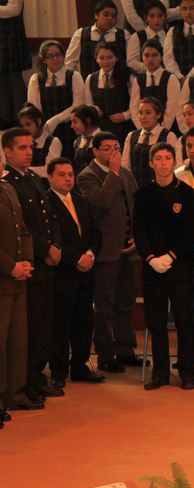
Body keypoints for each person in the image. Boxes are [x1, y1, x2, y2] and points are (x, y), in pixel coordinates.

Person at [132, 142, 194, 391]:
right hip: (152, 268)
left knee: (184, 321)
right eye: (158, 158)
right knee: (156, 322)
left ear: (174, 162)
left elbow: (192, 232)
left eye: (167, 158)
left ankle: (186, 372)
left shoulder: (187, 193)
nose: (163, 163)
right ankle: (160, 372)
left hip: (179, 267)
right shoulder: (142, 195)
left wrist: (171, 256)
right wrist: (151, 258)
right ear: (151, 163)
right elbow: (138, 232)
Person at [2, 127, 61, 404]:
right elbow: (22, 228)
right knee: (27, 329)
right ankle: (24, 382)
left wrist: (56, 245)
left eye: (30, 147)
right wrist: (45, 249)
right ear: (7, 152)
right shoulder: (9, 183)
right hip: (27, 262)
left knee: (43, 326)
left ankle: (36, 377)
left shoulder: (34, 178)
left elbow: (49, 217)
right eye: (22, 148)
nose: (29, 152)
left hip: (42, 263)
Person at [77, 131, 143, 373]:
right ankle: (105, 354)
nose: (113, 152)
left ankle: (126, 350)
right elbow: (101, 201)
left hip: (129, 248)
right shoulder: (87, 176)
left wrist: (136, 235)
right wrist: (113, 173)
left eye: (115, 147)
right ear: (95, 151)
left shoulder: (126, 173)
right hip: (105, 251)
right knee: (104, 305)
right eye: (106, 148)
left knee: (126, 302)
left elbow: (136, 206)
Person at [46, 157, 105, 387]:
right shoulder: (46, 202)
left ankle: (80, 366)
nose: (67, 179)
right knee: (61, 324)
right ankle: (58, 371)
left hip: (86, 273)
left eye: (70, 174)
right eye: (62, 175)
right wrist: (76, 259)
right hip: (63, 273)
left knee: (83, 322)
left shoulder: (82, 201)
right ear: (50, 177)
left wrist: (89, 253)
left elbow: (95, 233)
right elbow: (54, 239)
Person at [0, 171, 33, 426]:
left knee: (16, 340)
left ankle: (13, 393)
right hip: (4, 276)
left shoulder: (8, 189)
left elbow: (23, 229)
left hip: (17, 277)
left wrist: (27, 262)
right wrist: (10, 266)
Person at [26, 41, 86, 156]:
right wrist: (43, 128)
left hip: (71, 127)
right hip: (46, 129)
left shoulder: (74, 76)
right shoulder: (36, 79)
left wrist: (55, 120)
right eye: (50, 56)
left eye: (58, 55)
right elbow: (34, 108)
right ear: (44, 60)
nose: (55, 59)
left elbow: (78, 107)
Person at [83, 41, 135, 141]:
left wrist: (125, 115)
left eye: (110, 57)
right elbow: (88, 103)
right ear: (96, 59)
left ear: (116, 58)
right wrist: (94, 109)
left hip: (124, 127)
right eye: (102, 58)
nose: (106, 61)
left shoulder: (128, 77)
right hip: (100, 129)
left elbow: (136, 103)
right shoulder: (91, 78)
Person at [123, 96, 179, 186]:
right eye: (140, 113)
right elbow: (125, 166)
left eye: (148, 113)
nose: (143, 117)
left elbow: (175, 166)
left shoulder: (168, 136)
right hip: (136, 188)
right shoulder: (132, 136)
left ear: (158, 114)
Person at [128, 38, 180, 132]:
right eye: (146, 55)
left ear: (161, 57)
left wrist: (160, 131)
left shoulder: (170, 78)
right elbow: (134, 108)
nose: (150, 59)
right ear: (142, 58)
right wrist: (143, 129)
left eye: (154, 55)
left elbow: (172, 108)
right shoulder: (139, 80)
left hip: (167, 130)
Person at [66, 0, 127, 77]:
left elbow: (129, 62)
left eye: (113, 16)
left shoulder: (123, 35)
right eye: (106, 15)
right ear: (96, 15)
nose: (110, 18)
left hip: (117, 81)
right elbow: (70, 62)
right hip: (87, 81)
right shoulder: (81, 34)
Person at [0, 0, 30, 130]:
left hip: (11, 37)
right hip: (2, 38)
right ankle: (4, 118)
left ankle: (20, 119)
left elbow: (14, 9)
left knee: (14, 79)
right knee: (2, 80)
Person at [17, 105, 62, 176]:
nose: (25, 129)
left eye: (28, 124)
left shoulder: (53, 142)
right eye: (22, 126)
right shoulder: (22, 142)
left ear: (38, 121)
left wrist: (25, 170)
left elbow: (50, 170)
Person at [125, 0, 166, 75]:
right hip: (144, 77)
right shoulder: (136, 37)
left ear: (165, 17)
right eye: (152, 16)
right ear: (146, 18)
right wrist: (151, 67)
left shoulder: (171, 34)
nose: (156, 20)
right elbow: (131, 63)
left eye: (160, 16)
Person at [69, 104, 102, 174]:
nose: (72, 126)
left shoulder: (105, 139)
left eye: (75, 122)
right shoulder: (77, 142)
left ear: (87, 121)